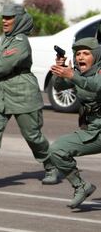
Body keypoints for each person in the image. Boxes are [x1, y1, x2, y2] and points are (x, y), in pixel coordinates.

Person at [0, 3, 59, 186]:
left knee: (32, 135)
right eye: (3, 17)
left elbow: (7, 63)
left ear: (19, 19)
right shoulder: (6, 38)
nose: (4, 21)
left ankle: (50, 166)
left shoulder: (20, 41)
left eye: (9, 18)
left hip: (22, 91)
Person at [48, 37, 101, 209]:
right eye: (78, 54)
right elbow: (60, 87)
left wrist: (72, 76)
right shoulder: (76, 72)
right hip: (93, 131)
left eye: (86, 53)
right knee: (57, 149)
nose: (81, 57)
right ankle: (81, 186)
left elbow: (96, 86)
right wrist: (60, 71)